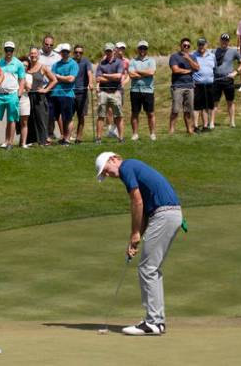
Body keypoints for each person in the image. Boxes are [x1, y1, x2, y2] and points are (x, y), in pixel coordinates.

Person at [95, 152, 182, 336]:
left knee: (148, 268)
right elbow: (142, 212)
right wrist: (134, 239)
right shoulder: (133, 167)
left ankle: (154, 322)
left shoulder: (126, 167)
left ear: (113, 159)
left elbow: (137, 201)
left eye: (107, 171)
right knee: (151, 268)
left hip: (164, 214)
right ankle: (157, 321)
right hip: (168, 214)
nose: (108, 175)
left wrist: (135, 233)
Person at [0, 41, 26, 150]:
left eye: (11, 50)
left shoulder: (18, 64)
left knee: (11, 120)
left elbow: (22, 80)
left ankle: (9, 142)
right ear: (4, 50)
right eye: (7, 50)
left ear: (13, 51)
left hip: (12, 94)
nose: (9, 52)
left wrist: (19, 94)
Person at [212, 33, 241, 128]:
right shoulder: (214, 51)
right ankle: (211, 123)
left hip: (228, 80)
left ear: (228, 41)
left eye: (226, 40)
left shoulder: (233, 51)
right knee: (215, 102)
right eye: (223, 40)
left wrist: (236, 72)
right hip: (216, 79)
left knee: (230, 102)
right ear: (220, 40)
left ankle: (232, 122)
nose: (224, 42)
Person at [95, 43, 127, 142]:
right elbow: (98, 78)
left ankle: (121, 138)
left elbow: (119, 76)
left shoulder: (119, 62)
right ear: (105, 51)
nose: (108, 52)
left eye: (110, 50)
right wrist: (111, 78)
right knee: (101, 115)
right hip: (103, 92)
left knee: (118, 115)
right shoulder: (101, 63)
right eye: (107, 51)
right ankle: (99, 138)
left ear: (114, 51)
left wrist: (105, 75)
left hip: (115, 92)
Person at [49, 44, 79, 146]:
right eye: (63, 52)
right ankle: (56, 136)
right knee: (53, 117)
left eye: (67, 51)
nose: (65, 53)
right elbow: (52, 78)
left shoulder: (73, 64)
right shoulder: (56, 64)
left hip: (67, 94)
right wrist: (62, 78)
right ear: (61, 53)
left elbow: (71, 79)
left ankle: (67, 139)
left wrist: (58, 77)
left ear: (69, 52)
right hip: (55, 94)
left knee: (68, 118)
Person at [25, 47, 55, 147]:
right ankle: (30, 141)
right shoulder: (27, 68)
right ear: (29, 55)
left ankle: (44, 141)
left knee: (41, 119)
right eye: (31, 54)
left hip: (39, 97)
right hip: (28, 96)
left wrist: (46, 89)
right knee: (30, 119)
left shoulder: (43, 67)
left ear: (38, 55)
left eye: (35, 54)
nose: (33, 55)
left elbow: (54, 80)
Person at [168, 38, 198, 135]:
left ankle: (189, 129)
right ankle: (171, 130)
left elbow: (197, 68)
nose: (186, 47)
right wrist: (189, 71)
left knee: (188, 110)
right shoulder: (174, 57)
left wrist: (188, 59)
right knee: (175, 109)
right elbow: (175, 70)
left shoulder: (192, 57)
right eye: (184, 45)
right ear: (180, 45)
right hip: (177, 86)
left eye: (188, 46)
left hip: (189, 86)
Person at [128, 41, 156, 141]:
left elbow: (151, 72)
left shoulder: (151, 61)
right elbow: (131, 75)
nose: (142, 50)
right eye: (141, 48)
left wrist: (138, 72)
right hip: (135, 90)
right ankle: (135, 134)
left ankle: (152, 134)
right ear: (138, 49)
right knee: (135, 113)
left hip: (148, 90)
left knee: (150, 113)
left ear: (147, 49)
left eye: (144, 48)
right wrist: (145, 73)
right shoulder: (133, 61)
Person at [191, 39, 216, 132]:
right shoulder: (193, 56)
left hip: (209, 84)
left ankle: (205, 126)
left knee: (206, 106)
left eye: (203, 45)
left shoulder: (212, 56)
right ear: (198, 45)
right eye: (199, 45)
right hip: (197, 84)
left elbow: (214, 69)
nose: (201, 47)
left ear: (206, 45)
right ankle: (196, 126)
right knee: (197, 106)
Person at [71, 45, 94, 143]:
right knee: (68, 116)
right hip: (70, 92)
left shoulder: (86, 62)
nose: (78, 54)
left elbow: (89, 73)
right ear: (73, 52)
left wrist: (90, 82)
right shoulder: (70, 61)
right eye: (76, 52)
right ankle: (68, 136)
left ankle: (78, 137)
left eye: (80, 52)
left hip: (82, 93)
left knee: (81, 116)